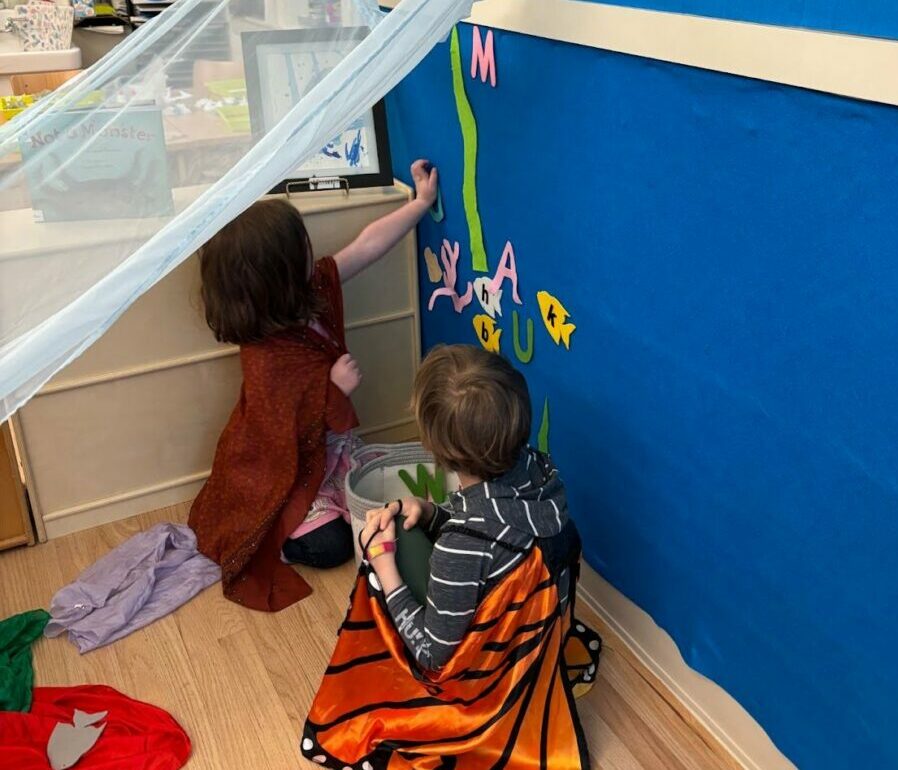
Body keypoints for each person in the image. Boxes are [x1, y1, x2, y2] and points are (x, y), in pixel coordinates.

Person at [302, 345, 601, 769]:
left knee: (380, 556)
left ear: (435, 447)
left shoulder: (462, 545)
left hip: (490, 690)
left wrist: (386, 570)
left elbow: (433, 654)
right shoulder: (542, 471)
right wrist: (431, 513)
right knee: (403, 532)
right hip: (538, 644)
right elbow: (499, 542)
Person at [187, 160, 438, 612]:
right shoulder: (266, 354)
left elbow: (367, 246)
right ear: (275, 278)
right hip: (286, 471)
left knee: (386, 496)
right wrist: (332, 392)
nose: (312, 251)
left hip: (329, 454)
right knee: (333, 545)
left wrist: (420, 204)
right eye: (300, 249)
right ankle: (281, 539)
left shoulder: (314, 289)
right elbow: (275, 435)